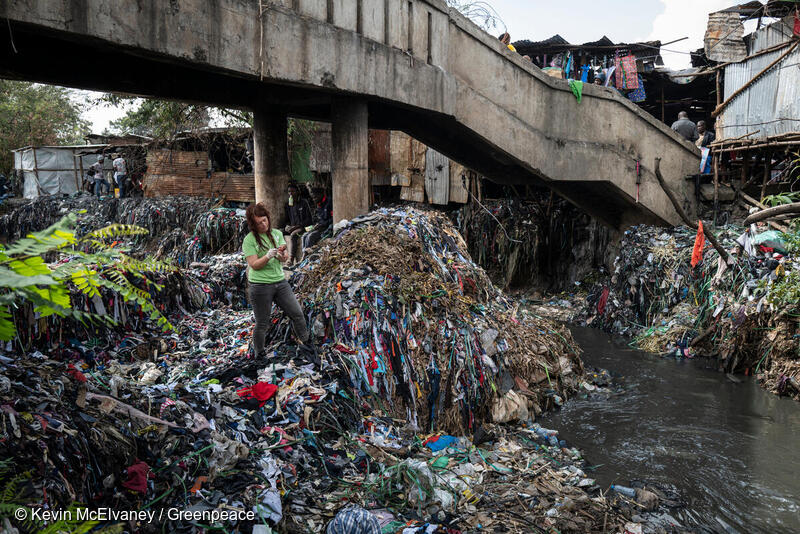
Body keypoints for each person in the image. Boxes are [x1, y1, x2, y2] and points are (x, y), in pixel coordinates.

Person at [243, 202, 310, 356]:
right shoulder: (249, 240)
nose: (263, 225)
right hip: (260, 286)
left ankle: (307, 345)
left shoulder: (277, 234)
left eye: (264, 220)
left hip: (280, 282)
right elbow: (254, 265)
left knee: (297, 314)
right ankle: (259, 354)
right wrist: (267, 256)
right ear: (253, 224)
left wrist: (281, 255)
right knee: (262, 323)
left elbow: (284, 257)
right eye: (259, 223)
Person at [284, 183, 313, 266]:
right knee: (280, 232)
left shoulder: (303, 203)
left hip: (307, 227)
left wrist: (297, 226)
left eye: (293, 191)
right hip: (294, 227)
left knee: (294, 234)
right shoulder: (289, 205)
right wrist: (288, 226)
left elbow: (309, 220)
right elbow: (287, 220)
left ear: (297, 192)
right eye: (289, 192)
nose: (291, 194)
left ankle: (291, 259)